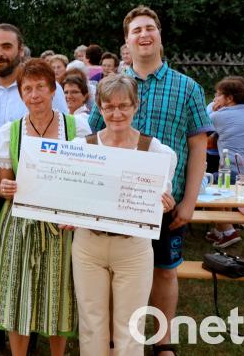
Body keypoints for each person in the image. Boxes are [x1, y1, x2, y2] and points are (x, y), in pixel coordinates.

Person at [88, 5, 213, 356]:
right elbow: (94, 139)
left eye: (149, 28)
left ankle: (162, 342)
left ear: (159, 35)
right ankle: (116, 338)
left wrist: (189, 201)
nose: (144, 35)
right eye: (136, 30)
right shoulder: (112, 86)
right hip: (117, 199)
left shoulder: (187, 87)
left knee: (164, 272)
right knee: (115, 272)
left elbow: (198, 146)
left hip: (163, 202)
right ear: (126, 41)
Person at [0, 23, 71, 354]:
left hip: (38, 189)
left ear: (20, 49)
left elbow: (69, 147)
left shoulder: (47, 89)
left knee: (36, 263)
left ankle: (29, 331)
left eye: (6, 46)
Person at [0, 59, 90, 356]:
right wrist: (4, 187)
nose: (34, 95)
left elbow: (84, 179)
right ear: (21, 94)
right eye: (27, 89)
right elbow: (6, 183)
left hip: (62, 226)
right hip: (20, 222)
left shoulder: (75, 127)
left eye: (40, 87)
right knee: (17, 294)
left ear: (52, 89)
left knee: (58, 295)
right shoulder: (12, 131)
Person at [72, 74, 177, 356]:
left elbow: (160, 196)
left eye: (124, 106)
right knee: (92, 323)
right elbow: (70, 195)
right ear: (100, 108)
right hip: (88, 245)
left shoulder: (156, 151)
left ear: (135, 106)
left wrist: (165, 203)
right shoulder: (82, 147)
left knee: (131, 326)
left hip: (133, 247)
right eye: (109, 107)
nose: (116, 113)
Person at [204, 76, 244, 248]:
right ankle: (222, 227)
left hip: (241, 176)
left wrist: (213, 107)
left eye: (218, 95)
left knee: (205, 184)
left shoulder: (220, 116)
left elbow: (201, 122)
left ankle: (227, 231)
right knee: (219, 178)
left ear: (230, 98)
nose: (215, 99)